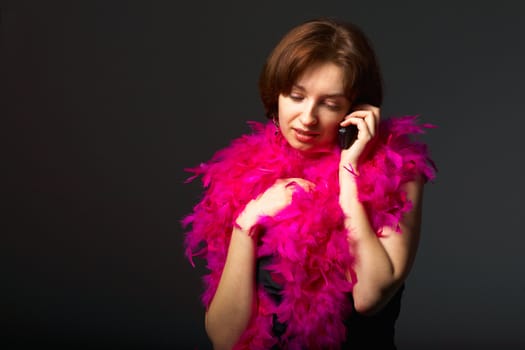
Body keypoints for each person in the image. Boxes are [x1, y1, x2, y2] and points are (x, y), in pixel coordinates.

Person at [182, 17, 436, 350]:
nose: (307, 118)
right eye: (296, 96)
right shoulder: (244, 174)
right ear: (276, 96)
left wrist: (349, 174)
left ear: (356, 109)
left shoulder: (398, 173)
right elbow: (224, 338)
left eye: (330, 104)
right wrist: (247, 222)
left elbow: (369, 296)